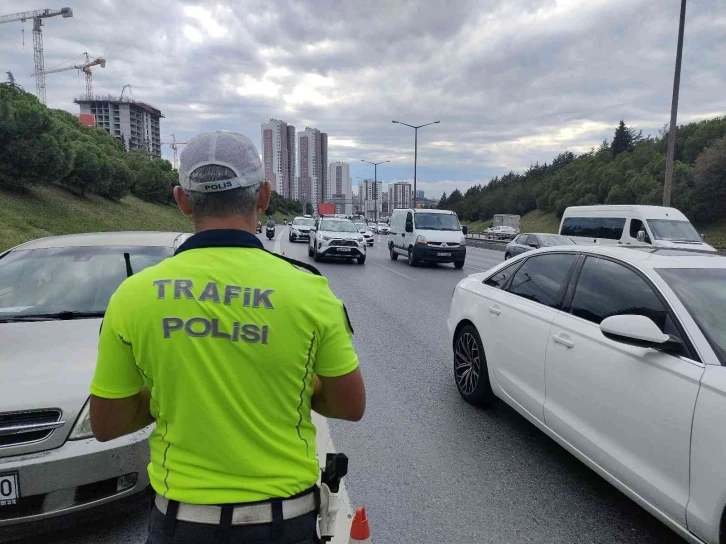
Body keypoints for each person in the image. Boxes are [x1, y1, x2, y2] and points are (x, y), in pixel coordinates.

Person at [88, 131, 366, 544]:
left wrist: (174, 390)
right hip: (283, 522)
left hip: (181, 525)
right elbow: (349, 405)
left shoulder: (133, 295)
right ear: (264, 197)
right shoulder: (309, 291)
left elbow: (107, 423)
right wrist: (287, 385)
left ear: (182, 200)